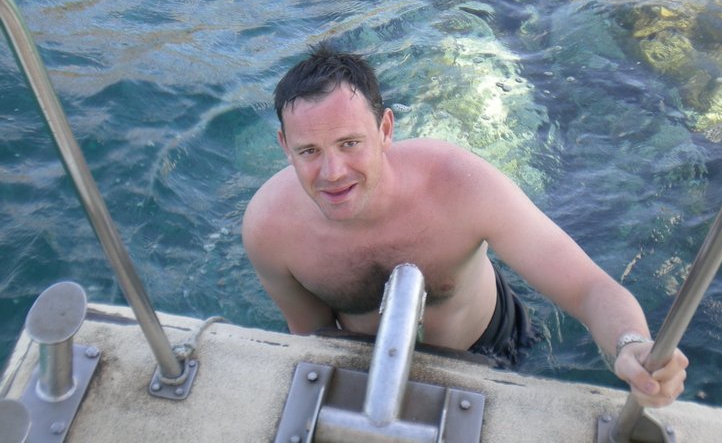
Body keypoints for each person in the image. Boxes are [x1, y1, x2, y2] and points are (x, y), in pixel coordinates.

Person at [243, 43, 688, 408]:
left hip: (493, 346)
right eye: (309, 151)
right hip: (369, 363)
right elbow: (314, 341)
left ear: (385, 130)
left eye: (349, 143)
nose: (333, 172)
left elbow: (587, 287)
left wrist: (631, 344)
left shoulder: (461, 186)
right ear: (285, 146)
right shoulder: (271, 229)